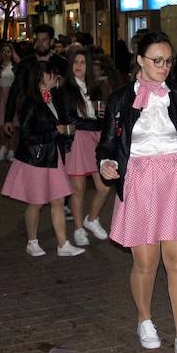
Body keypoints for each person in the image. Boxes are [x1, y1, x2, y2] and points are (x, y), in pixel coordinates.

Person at [97, 32, 177, 353]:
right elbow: (107, 144)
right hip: (139, 180)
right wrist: (107, 163)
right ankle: (144, 318)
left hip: (176, 177)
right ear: (140, 60)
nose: (164, 67)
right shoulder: (121, 99)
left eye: (168, 61)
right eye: (157, 61)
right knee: (145, 263)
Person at [0, 60, 85, 258]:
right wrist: (55, 132)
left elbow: (65, 120)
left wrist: (66, 130)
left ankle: (63, 244)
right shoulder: (30, 102)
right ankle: (32, 241)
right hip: (35, 158)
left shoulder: (53, 97)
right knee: (36, 203)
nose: (54, 76)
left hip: (53, 156)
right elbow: (27, 135)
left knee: (58, 200)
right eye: (50, 73)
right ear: (40, 76)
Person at [62, 50, 112, 246]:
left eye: (83, 62)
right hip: (77, 140)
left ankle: (91, 219)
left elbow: (102, 115)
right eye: (76, 62)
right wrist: (95, 123)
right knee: (78, 188)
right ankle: (78, 228)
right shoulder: (66, 90)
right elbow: (71, 120)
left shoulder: (96, 88)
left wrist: (103, 119)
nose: (79, 65)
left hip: (96, 139)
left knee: (104, 186)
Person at [5, 24, 68, 132]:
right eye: (38, 40)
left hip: (56, 117)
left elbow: (69, 91)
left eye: (44, 40)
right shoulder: (25, 64)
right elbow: (15, 90)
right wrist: (8, 118)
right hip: (30, 118)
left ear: (51, 42)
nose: (40, 43)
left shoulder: (62, 64)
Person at [0, 43, 19, 161]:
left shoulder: (16, 66)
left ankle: (12, 149)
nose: (6, 54)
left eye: (8, 51)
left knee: (14, 124)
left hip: (13, 97)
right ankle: (3, 146)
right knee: (1, 124)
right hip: (1, 97)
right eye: (3, 51)